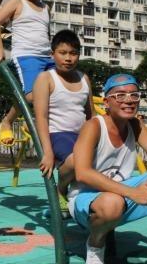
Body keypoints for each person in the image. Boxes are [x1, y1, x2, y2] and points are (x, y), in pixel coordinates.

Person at [69, 74, 147, 264]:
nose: (128, 100)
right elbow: (83, 173)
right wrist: (132, 192)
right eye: (120, 95)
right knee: (111, 203)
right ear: (107, 102)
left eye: (134, 95)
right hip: (87, 199)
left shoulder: (135, 124)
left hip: (121, 194)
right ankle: (95, 245)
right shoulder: (93, 126)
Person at [32, 29, 94, 216]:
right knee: (77, 160)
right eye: (63, 53)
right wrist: (47, 152)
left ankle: (85, 200)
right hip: (57, 134)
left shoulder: (84, 78)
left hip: (81, 134)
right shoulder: (46, 78)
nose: (68, 58)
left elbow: (90, 113)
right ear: (53, 54)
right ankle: (61, 189)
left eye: (73, 53)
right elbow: (41, 117)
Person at [0, 0, 52, 145]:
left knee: (58, 89)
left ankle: (35, 122)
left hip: (47, 57)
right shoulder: (18, 2)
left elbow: (45, 34)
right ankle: (7, 121)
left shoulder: (46, 7)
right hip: (26, 56)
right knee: (32, 94)